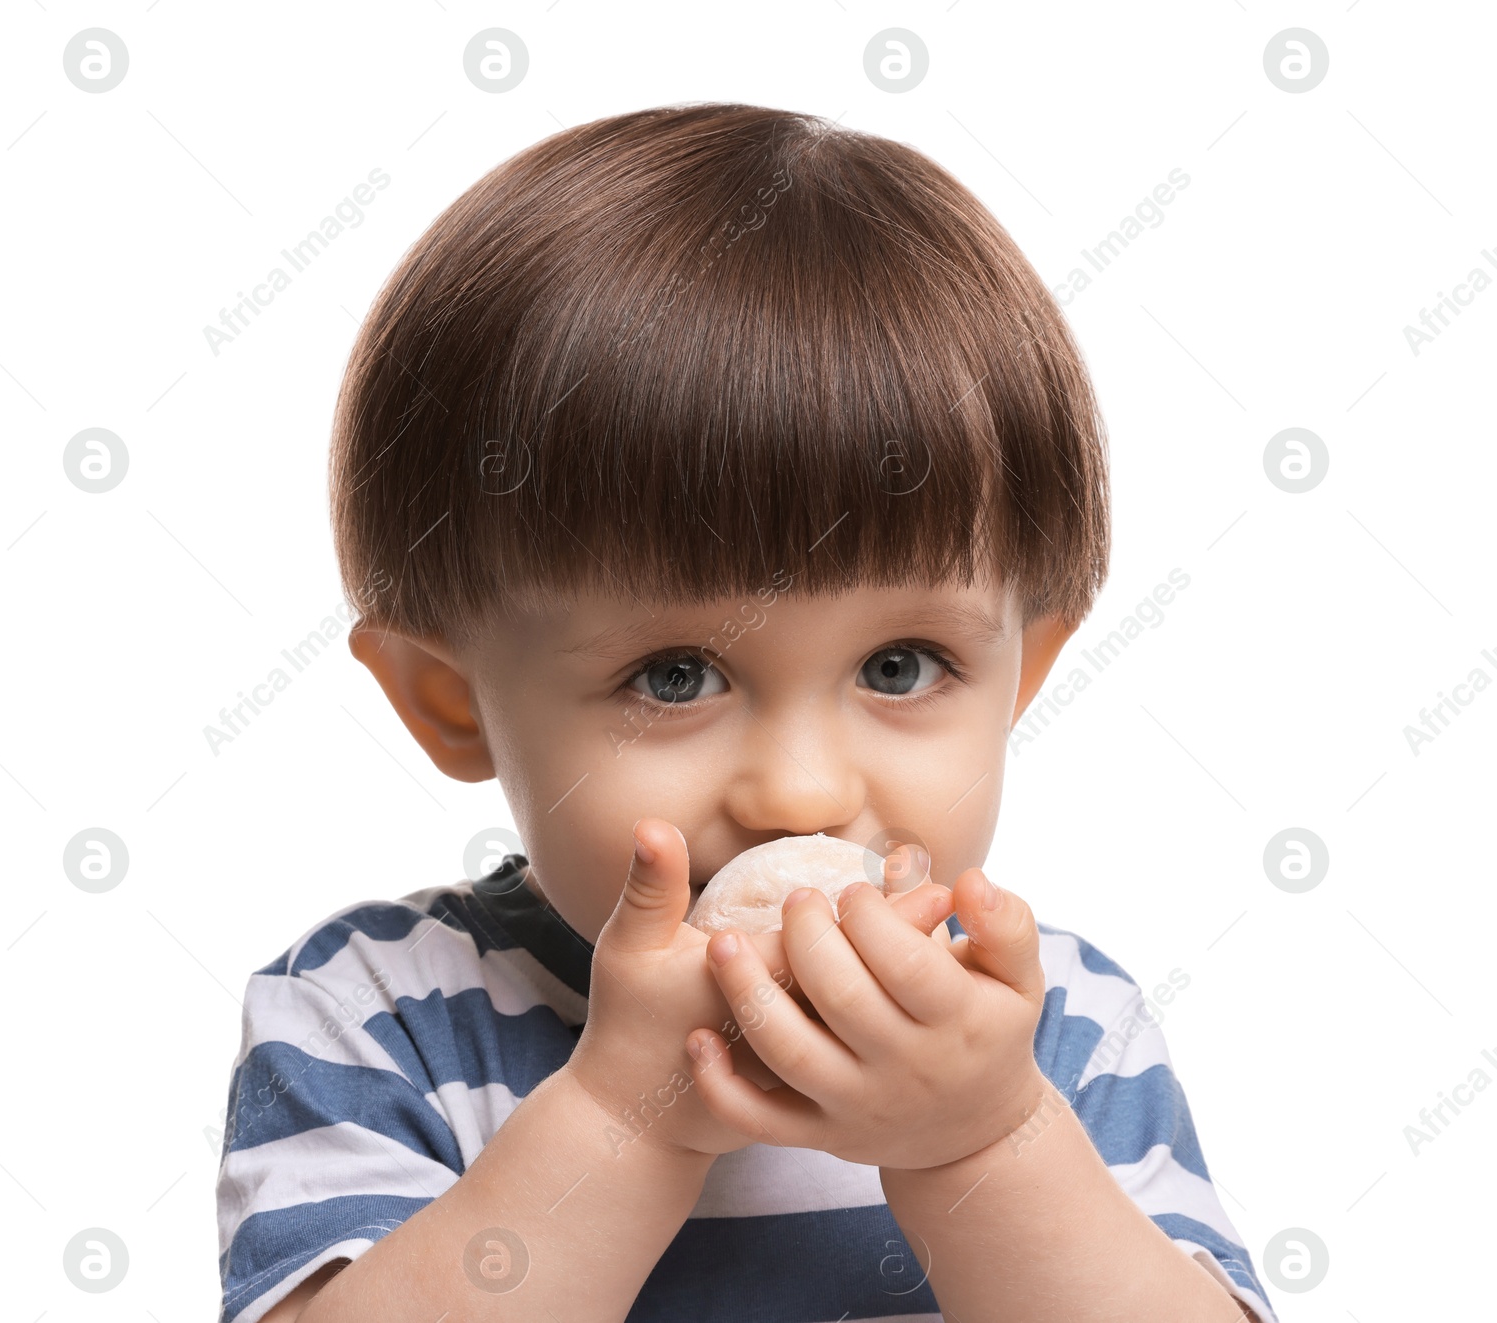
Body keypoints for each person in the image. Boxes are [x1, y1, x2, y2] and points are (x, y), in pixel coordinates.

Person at [214, 101, 1277, 1323]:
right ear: (450, 700)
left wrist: (982, 1145)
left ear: (1019, 677)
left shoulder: (1054, 1031)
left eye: (898, 667)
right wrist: (621, 1115)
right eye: (675, 676)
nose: (803, 792)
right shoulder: (375, 1013)